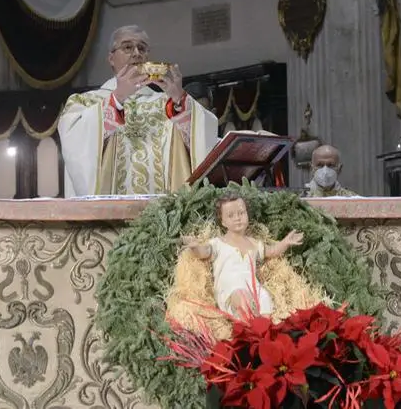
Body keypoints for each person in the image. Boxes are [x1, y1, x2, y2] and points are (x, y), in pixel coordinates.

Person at [58, 25, 218, 197]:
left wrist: (180, 101)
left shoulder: (167, 102)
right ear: (111, 58)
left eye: (142, 48)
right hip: (110, 214)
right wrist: (117, 99)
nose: (136, 53)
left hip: (161, 215)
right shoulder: (86, 102)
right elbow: (75, 143)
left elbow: (201, 138)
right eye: (127, 47)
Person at [181, 193, 304, 316]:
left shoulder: (254, 244)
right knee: (242, 298)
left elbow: (272, 251)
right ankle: (247, 328)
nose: (237, 218)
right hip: (231, 290)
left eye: (241, 213)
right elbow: (203, 252)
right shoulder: (218, 243)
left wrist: (285, 242)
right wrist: (195, 247)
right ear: (222, 221)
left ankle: (263, 330)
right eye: (230, 215)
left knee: (265, 298)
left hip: (253, 287)